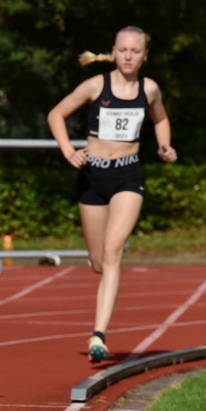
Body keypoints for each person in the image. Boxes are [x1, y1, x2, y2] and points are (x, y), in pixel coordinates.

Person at [47, 26, 177, 363]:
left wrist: (165, 144)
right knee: (97, 262)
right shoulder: (95, 85)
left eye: (135, 51)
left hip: (128, 176)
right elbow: (56, 114)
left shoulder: (149, 89)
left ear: (145, 55)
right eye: (123, 50)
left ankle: (98, 335)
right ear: (114, 52)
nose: (129, 56)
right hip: (93, 178)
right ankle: (104, 273)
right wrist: (68, 151)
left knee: (112, 250)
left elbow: (160, 118)